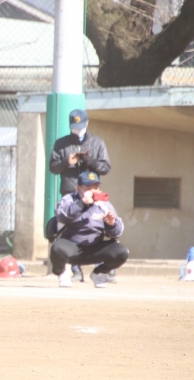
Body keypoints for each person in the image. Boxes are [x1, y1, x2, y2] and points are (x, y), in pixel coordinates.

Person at [49, 109, 112, 283]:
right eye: (75, 127)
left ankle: (102, 269)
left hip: (93, 194)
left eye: (81, 126)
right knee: (71, 232)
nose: (78, 129)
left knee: (96, 228)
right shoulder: (61, 144)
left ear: (87, 123)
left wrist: (91, 162)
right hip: (70, 192)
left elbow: (106, 168)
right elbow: (53, 167)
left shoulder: (97, 142)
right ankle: (75, 270)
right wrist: (66, 163)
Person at [51, 171, 129, 288]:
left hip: (95, 248)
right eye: (88, 188)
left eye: (96, 188)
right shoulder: (69, 199)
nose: (93, 191)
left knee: (122, 252)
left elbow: (117, 233)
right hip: (72, 247)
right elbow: (61, 216)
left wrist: (111, 225)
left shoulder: (105, 204)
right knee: (57, 248)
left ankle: (99, 273)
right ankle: (62, 273)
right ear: (79, 189)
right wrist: (81, 203)